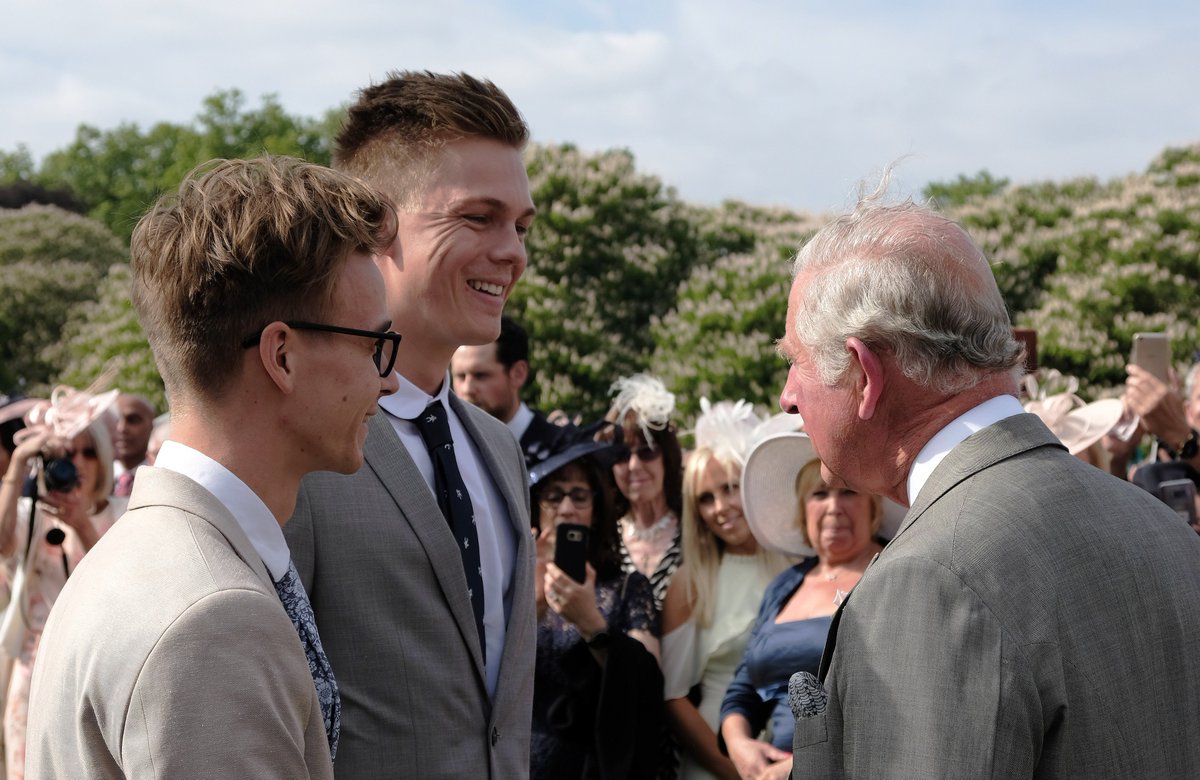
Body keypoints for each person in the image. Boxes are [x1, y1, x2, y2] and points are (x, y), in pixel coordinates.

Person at [777, 182, 1200, 777]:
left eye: (794, 361)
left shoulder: (931, 580)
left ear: (864, 375)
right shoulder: (1165, 529)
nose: (787, 397)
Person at [24, 155, 400, 777]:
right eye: (374, 346)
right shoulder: (211, 615)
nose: (385, 384)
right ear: (282, 356)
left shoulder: (143, 555)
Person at [284, 71, 538, 779]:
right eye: (479, 217)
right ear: (375, 226)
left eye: (521, 225)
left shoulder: (496, 448)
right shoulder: (296, 449)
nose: (513, 251)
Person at [718, 431, 894, 780]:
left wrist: (798, 767)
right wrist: (739, 745)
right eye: (819, 494)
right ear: (803, 509)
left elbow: (891, 698)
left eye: (848, 491)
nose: (833, 507)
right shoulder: (784, 586)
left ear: (873, 505)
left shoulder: (892, 571)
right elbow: (743, 687)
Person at [661, 399, 789, 780]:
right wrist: (729, 768)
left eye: (730, 488)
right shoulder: (689, 583)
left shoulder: (799, 564)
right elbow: (672, 696)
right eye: (705, 497)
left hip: (796, 753)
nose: (720, 507)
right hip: (715, 760)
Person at [528, 423, 663, 779]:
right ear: (537, 509)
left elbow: (647, 684)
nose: (567, 508)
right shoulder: (511, 585)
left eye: (579, 496)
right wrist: (531, 606)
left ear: (596, 509)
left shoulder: (627, 588)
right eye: (554, 496)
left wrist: (592, 624)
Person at [1, 402, 123, 780]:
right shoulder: (30, 513)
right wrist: (19, 463)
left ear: (104, 459)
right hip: (35, 670)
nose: (79, 462)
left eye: (90, 452)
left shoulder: (126, 512)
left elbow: (125, 584)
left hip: (103, 667)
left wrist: (82, 525)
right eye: (67, 453)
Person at [604, 374, 685, 614]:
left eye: (647, 451)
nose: (634, 465)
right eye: (621, 455)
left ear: (667, 457)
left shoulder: (695, 527)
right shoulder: (604, 537)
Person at [452, 316, 561, 468]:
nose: (467, 389)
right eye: (460, 376)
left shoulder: (560, 452)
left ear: (518, 374)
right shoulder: (447, 449)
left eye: (481, 376)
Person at [110, 393, 156, 496]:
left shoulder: (164, 476)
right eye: (114, 420)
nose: (121, 428)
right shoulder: (94, 480)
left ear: (151, 425)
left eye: (133, 420)